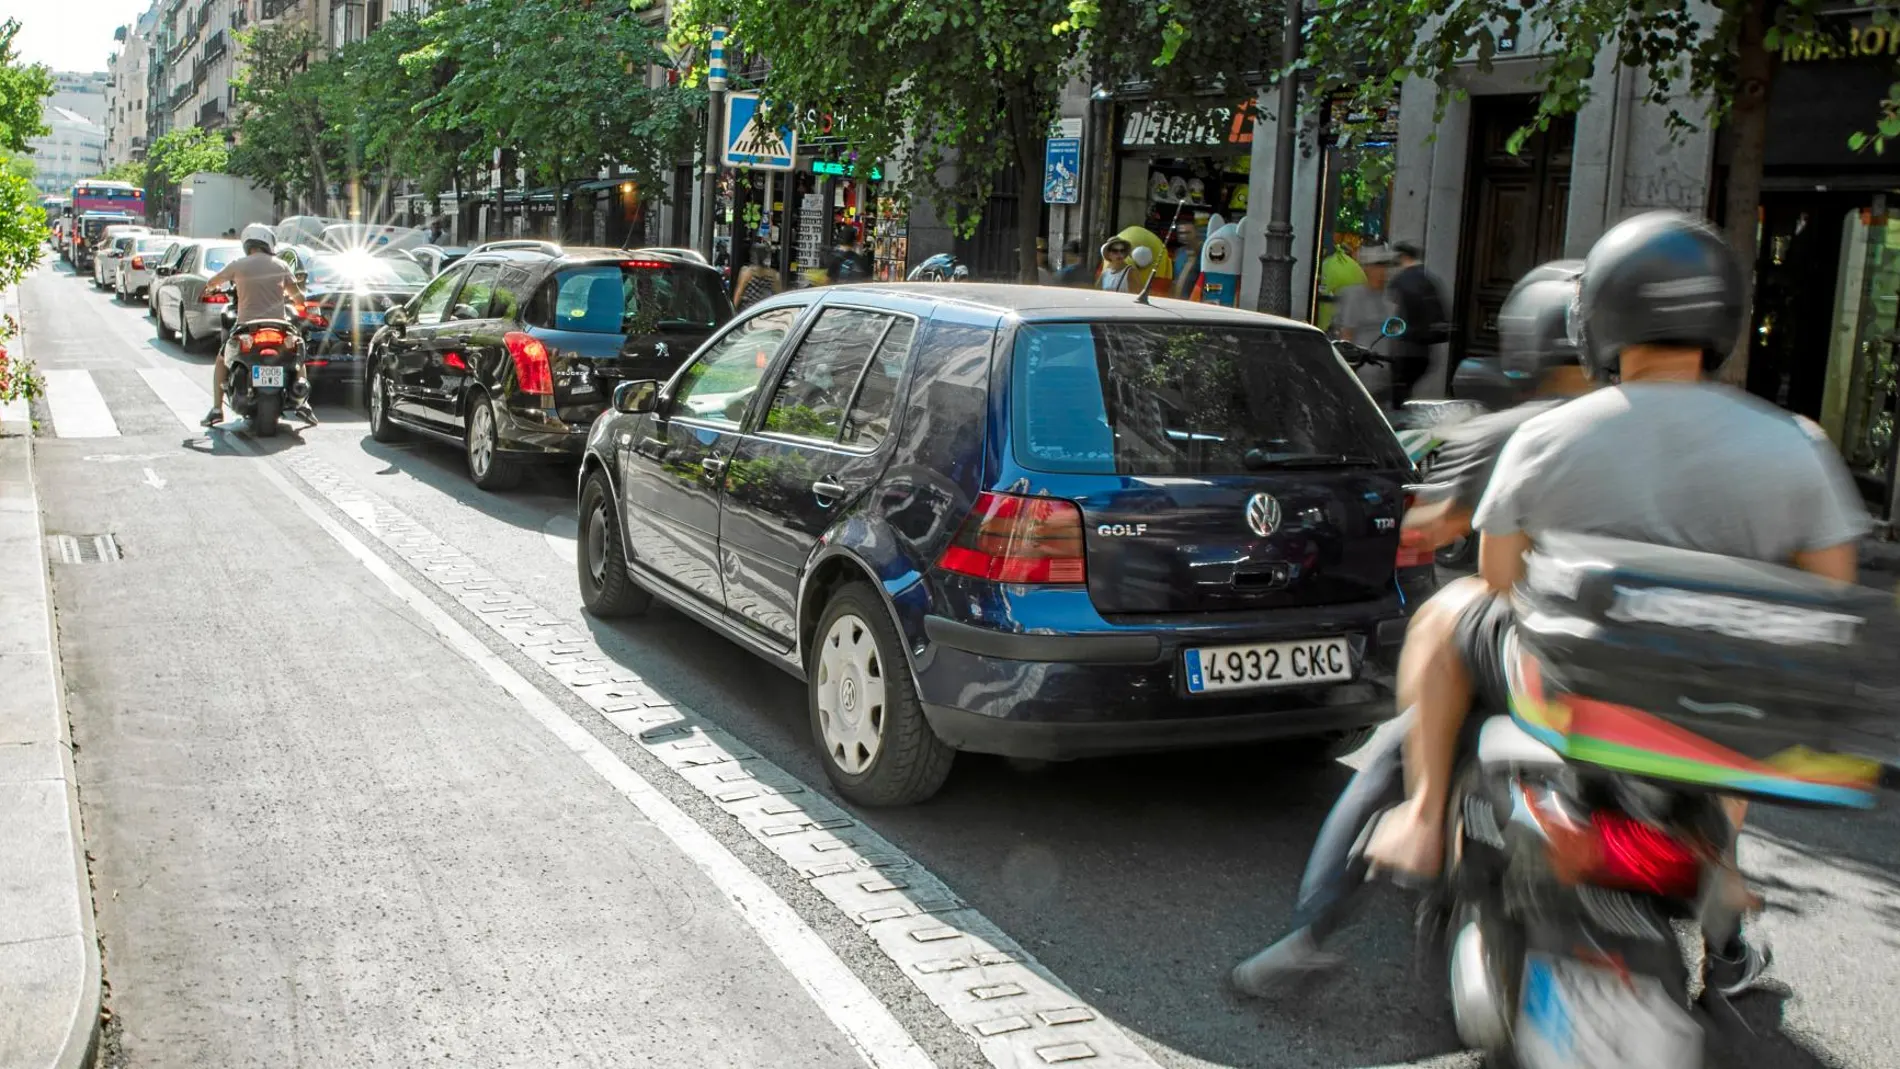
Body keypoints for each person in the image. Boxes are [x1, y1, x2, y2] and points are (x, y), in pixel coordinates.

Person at [1272, 212, 1866, 998]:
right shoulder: (1798, 443)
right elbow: (1829, 595)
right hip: (1709, 706)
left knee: (1450, 613)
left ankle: (1420, 816)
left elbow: (1499, 574)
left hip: (1570, 686)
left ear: (1603, 317)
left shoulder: (1553, 437)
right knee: (1746, 687)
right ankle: (1720, 886)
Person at [1232, 260, 1597, 995]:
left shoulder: (1511, 433)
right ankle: (1728, 950)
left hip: (1529, 657)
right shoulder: (1640, 428)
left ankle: (1311, 932)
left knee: (1395, 753)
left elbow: (1469, 553)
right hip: (1641, 674)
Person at [200, 223, 307, 428]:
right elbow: (299, 298)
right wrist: (295, 299)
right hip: (279, 326)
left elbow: (212, 282)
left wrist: (210, 289)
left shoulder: (238, 264)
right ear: (269, 243)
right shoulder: (281, 265)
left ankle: (216, 409)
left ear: (247, 243)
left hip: (247, 327)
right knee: (298, 356)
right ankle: (304, 404)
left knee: (222, 360)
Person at [1384, 241, 1452, 401]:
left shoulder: (1400, 280)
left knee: (1398, 397)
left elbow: (1391, 314)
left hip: (1403, 350)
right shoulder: (1429, 280)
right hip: (1424, 353)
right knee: (1406, 392)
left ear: (1403, 257)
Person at [1172, 220, 1203, 299]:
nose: (1184, 236)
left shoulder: (1203, 253)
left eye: (1188, 233)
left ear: (1195, 233)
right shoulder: (1179, 253)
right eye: (1181, 233)